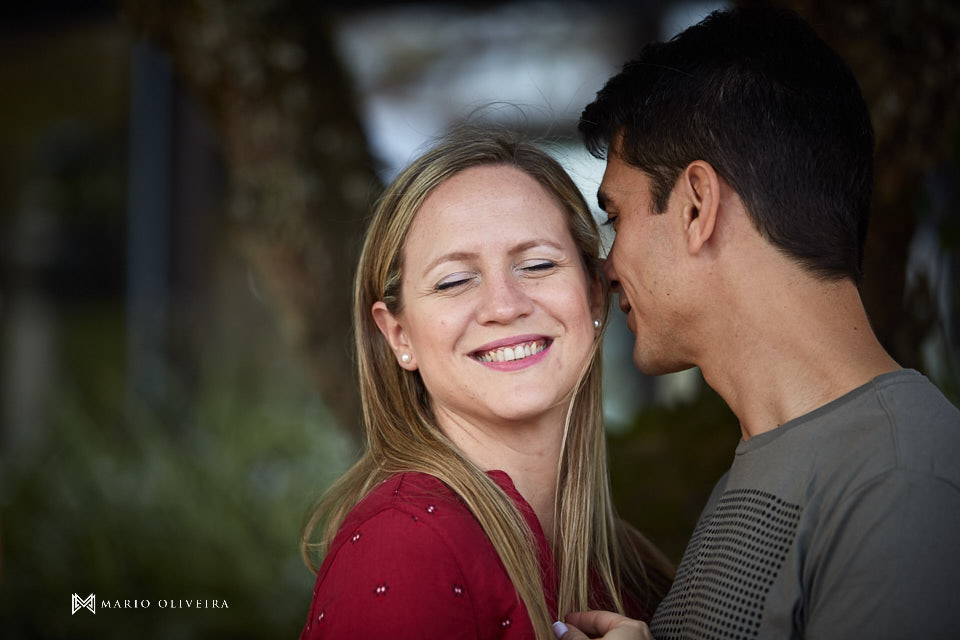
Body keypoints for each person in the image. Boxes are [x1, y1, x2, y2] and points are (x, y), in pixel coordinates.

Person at [558, 6, 960, 640]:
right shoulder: (760, 471)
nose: (607, 269)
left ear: (697, 206)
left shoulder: (901, 480)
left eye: (616, 217)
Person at [298, 127, 673, 639]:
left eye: (538, 264)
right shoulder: (404, 545)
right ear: (399, 335)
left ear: (592, 294)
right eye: (454, 280)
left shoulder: (631, 566)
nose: (504, 305)